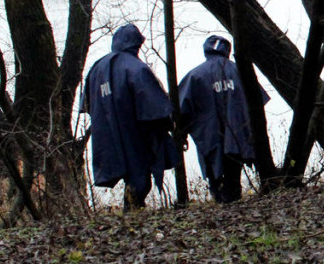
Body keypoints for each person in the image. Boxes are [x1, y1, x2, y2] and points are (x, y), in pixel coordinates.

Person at [80, 23, 176, 210]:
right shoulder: (136, 69)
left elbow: (88, 105)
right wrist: (169, 126)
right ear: (136, 44)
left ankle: (132, 213)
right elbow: (155, 107)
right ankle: (132, 214)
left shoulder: (96, 68)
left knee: (132, 177)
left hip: (106, 135)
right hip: (135, 134)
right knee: (139, 179)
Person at [178, 34, 268, 202]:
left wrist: (182, 133)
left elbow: (180, 110)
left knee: (216, 180)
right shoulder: (240, 71)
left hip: (209, 139)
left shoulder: (195, 76)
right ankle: (233, 204)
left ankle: (221, 203)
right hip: (238, 138)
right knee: (234, 177)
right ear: (227, 50)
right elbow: (258, 103)